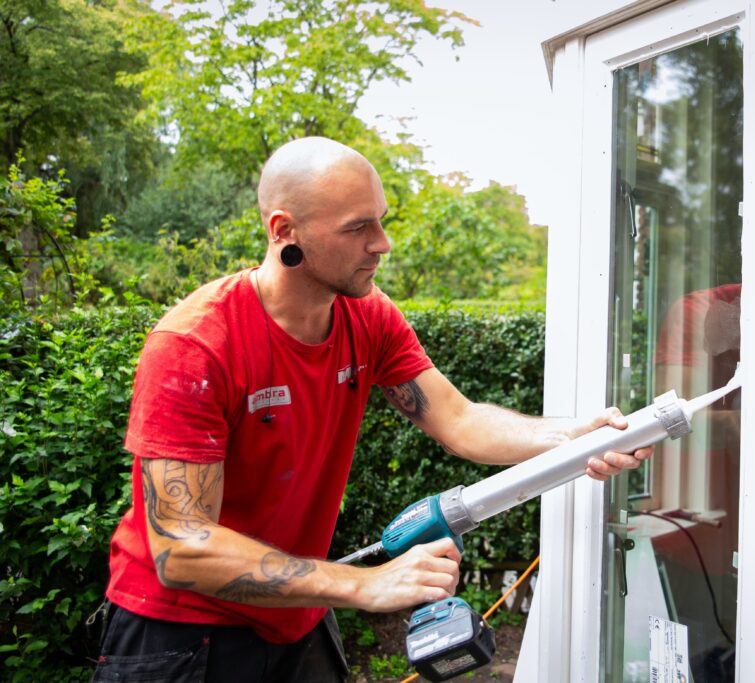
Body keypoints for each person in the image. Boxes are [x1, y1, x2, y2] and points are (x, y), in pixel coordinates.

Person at [92, 137, 653, 682]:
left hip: (298, 618)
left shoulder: (368, 317)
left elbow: (460, 421)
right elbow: (181, 548)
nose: (382, 243)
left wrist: (578, 437)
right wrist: (364, 584)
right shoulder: (196, 345)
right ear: (284, 230)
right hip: (181, 636)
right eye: (358, 227)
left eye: (381, 220)